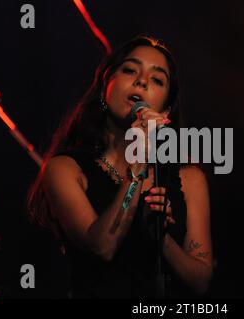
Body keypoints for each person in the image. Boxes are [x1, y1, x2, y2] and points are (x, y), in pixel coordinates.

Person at [27, 35, 213, 298]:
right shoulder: (65, 169)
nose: (142, 81)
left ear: (166, 110)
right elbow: (102, 246)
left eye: (157, 79)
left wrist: (160, 238)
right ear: (105, 87)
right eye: (129, 70)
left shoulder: (189, 178)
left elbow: (200, 281)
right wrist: (139, 161)